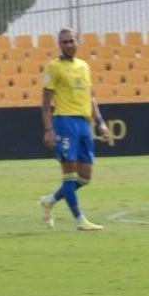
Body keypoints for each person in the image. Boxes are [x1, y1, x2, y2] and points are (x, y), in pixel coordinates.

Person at [38, 27, 108, 231]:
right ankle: (80, 219)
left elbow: (91, 96)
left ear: (78, 42)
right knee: (69, 175)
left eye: (71, 41)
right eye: (64, 42)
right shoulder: (53, 67)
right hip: (65, 122)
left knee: (85, 177)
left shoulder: (84, 66)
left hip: (84, 123)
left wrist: (100, 121)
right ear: (59, 45)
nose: (68, 45)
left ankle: (50, 201)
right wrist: (49, 130)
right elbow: (45, 103)